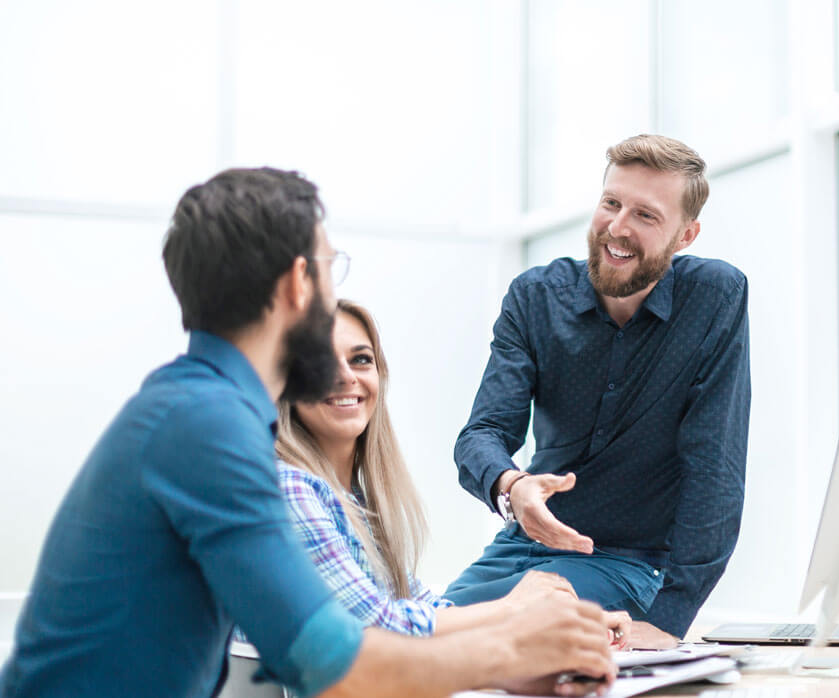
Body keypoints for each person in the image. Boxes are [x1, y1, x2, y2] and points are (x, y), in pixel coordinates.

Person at [2, 168, 617, 697]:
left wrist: (514, 651)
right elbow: (333, 666)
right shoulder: (207, 427)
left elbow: (334, 639)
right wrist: (513, 652)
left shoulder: (196, 410)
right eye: (329, 272)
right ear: (299, 283)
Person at [446, 135, 750, 647]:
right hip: (521, 547)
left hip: (628, 564)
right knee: (402, 635)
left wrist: (671, 620)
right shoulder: (535, 297)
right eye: (611, 203)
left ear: (685, 235)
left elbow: (714, 466)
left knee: (460, 638)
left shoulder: (714, 297)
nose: (617, 227)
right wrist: (513, 487)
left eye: (646, 216)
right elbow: (482, 433)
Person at [274, 299, 632, 645]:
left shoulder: (355, 502)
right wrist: (514, 608)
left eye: (361, 360)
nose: (345, 376)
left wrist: (556, 622)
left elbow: (421, 609)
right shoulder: (288, 488)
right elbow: (376, 627)